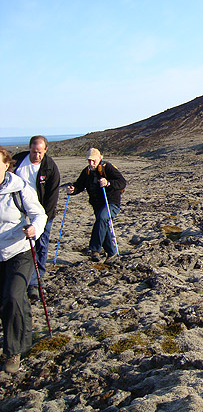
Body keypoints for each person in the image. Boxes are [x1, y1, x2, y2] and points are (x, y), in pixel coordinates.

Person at [0, 146, 47, 374]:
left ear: (6, 165)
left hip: (19, 251)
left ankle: (13, 351)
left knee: (13, 296)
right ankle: (22, 335)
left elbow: (39, 214)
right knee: (8, 300)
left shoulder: (20, 189)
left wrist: (34, 229)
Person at [13, 136, 60, 300]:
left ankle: (36, 280)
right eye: (34, 152)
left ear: (45, 150)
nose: (37, 156)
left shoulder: (50, 168)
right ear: (29, 148)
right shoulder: (17, 162)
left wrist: (42, 219)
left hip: (43, 214)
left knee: (40, 245)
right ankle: (22, 278)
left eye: (40, 152)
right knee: (21, 246)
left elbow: (52, 196)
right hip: (18, 212)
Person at [67, 148, 126, 263]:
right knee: (103, 225)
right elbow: (80, 184)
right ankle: (111, 253)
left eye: (93, 160)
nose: (91, 163)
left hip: (111, 202)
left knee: (102, 219)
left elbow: (122, 182)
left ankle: (95, 250)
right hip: (97, 204)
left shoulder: (107, 167)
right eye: (89, 160)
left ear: (99, 158)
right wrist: (73, 190)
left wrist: (108, 183)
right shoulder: (87, 171)